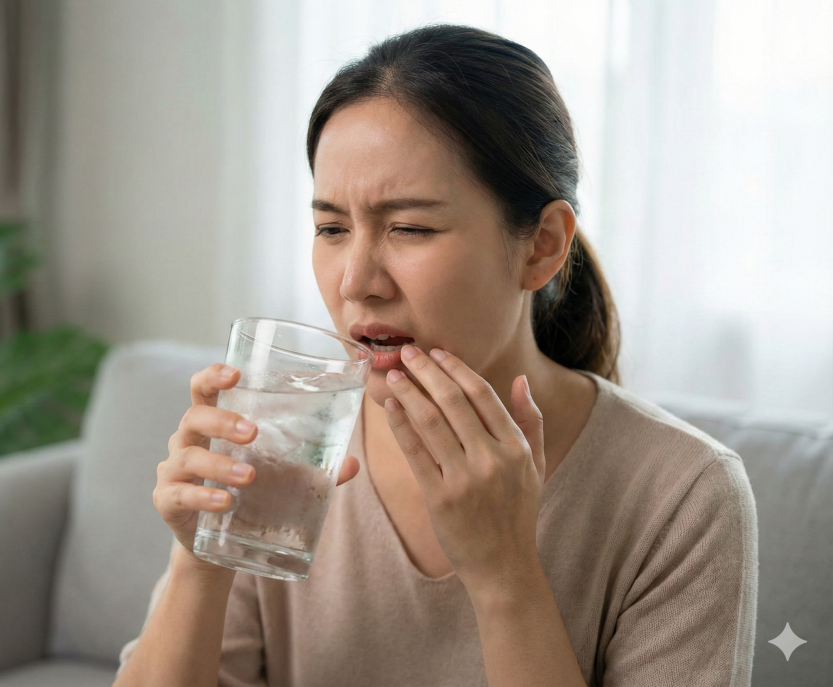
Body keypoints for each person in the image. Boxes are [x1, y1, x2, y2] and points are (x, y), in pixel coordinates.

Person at [114, 25, 758, 687]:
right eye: (331, 228)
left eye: (409, 227)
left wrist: (506, 574)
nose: (356, 279)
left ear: (541, 245)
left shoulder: (685, 494)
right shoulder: (287, 444)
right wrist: (201, 560)